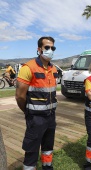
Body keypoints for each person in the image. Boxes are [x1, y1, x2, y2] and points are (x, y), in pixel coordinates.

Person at [15, 36, 58, 170]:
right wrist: (28, 111)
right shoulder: (28, 68)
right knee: (32, 149)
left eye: (52, 48)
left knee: (48, 147)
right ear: (39, 49)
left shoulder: (54, 69)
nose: (50, 50)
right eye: (47, 47)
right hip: (36, 118)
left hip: (51, 116)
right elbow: (20, 96)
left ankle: (47, 167)